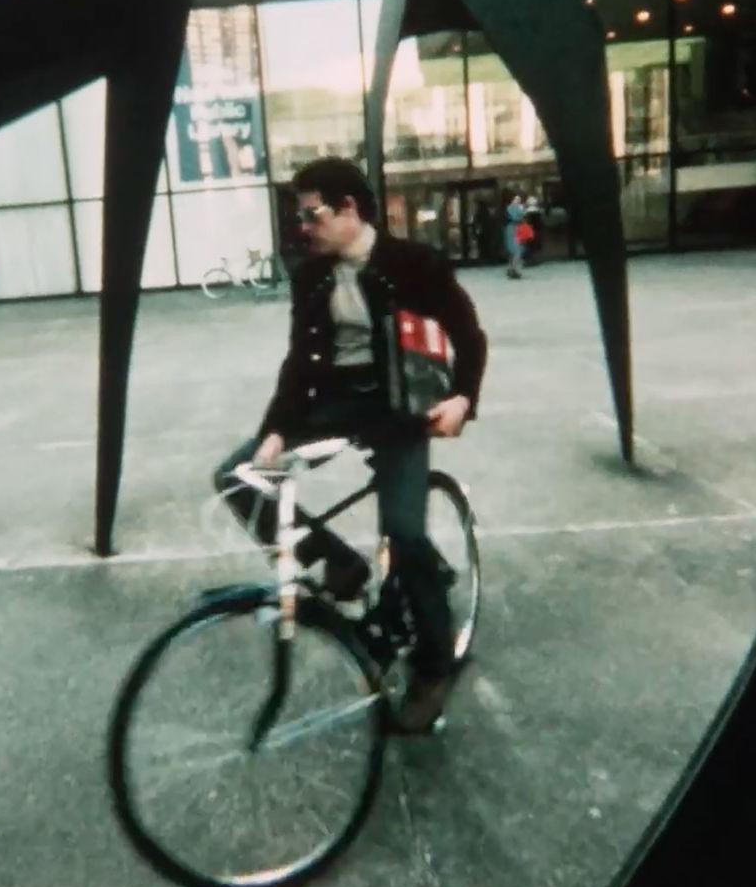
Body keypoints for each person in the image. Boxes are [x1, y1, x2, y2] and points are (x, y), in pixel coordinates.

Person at [213, 157, 488, 732]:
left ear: (349, 210)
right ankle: (341, 566)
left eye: (312, 216)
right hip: (331, 402)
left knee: (406, 533)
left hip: (399, 409)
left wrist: (462, 398)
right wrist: (276, 431)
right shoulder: (310, 275)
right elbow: (298, 361)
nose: (303, 228)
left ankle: (437, 665)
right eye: (300, 218)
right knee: (236, 477)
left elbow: (469, 334)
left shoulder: (415, 263)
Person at [503, 194, 526, 278]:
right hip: (513, 230)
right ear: (512, 200)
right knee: (517, 251)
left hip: (514, 230)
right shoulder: (513, 208)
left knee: (514, 251)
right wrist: (522, 211)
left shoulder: (512, 208)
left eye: (519, 200)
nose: (518, 201)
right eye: (516, 199)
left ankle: (511, 269)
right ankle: (514, 270)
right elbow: (518, 218)